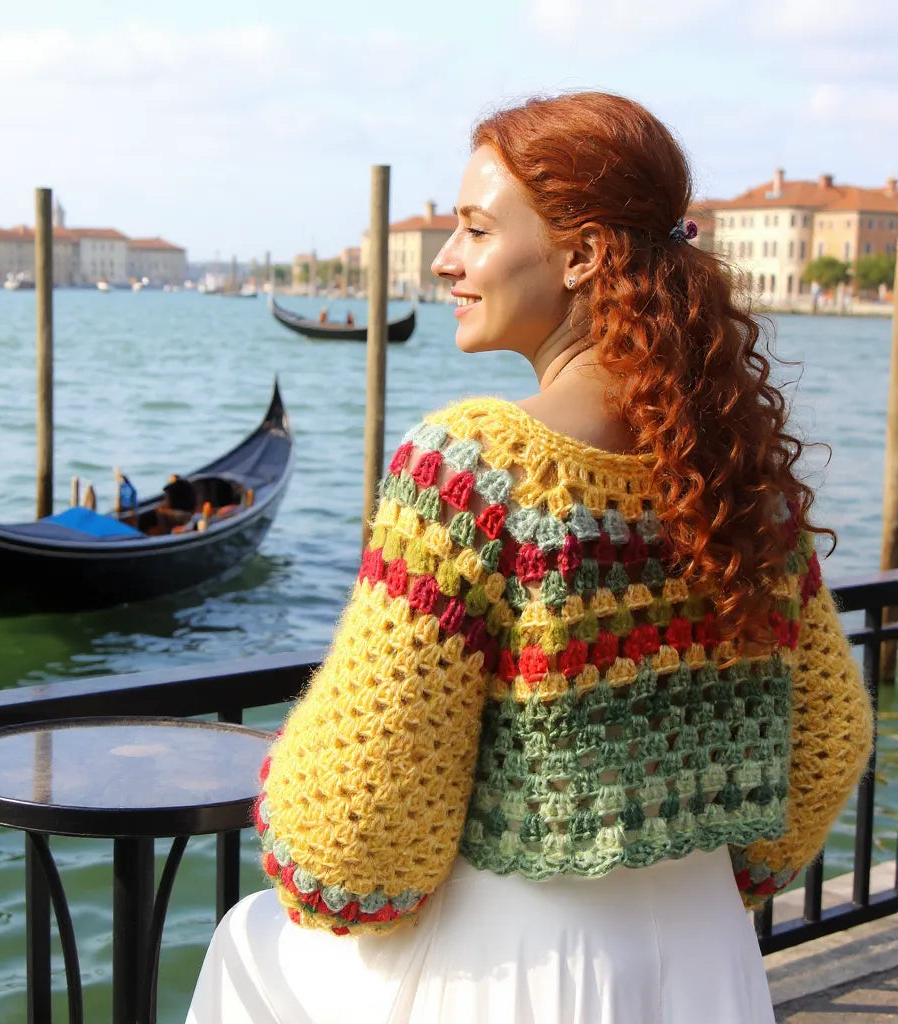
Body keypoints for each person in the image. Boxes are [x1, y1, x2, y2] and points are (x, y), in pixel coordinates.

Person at [186, 92, 874, 1024]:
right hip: (713, 962)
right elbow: (830, 747)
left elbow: (357, 836)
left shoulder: (472, 471)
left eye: (474, 229)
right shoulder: (733, 468)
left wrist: (294, 794)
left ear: (583, 254)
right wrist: (697, 866)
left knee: (248, 946)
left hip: (521, 974)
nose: (445, 258)